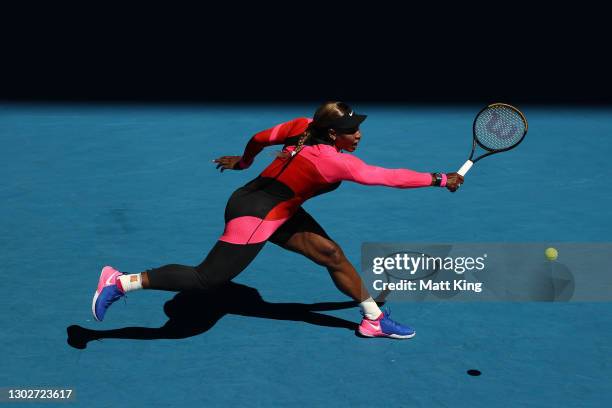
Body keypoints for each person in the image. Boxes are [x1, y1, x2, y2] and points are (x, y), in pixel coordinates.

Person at [92, 101, 463, 339]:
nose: (359, 134)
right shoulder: (337, 161)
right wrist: (441, 179)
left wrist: (243, 161)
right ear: (333, 133)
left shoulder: (301, 125)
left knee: (330, 253)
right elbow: (388, 177)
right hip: (257, 216)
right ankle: (121, 281)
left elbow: (257, 138)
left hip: (265, 204)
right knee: (206, 279)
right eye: (352, 130)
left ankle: (372, 318)